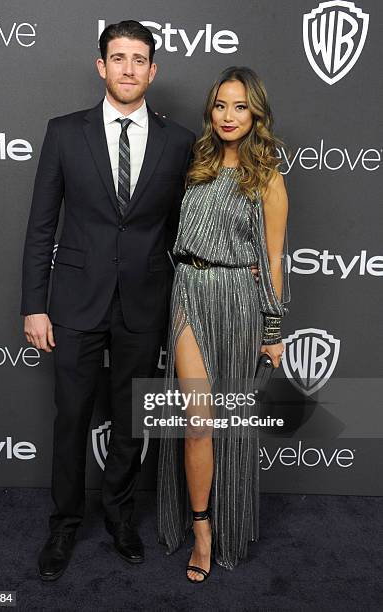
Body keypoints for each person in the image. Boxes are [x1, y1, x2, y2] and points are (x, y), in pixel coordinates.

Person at [21, 20, 196, 581]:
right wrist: (34, 304)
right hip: (73, 301)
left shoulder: (179, 140)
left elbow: (181, 230)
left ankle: (121, 517)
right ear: (101, 66)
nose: (127, 68)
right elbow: (41, 226)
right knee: (71, 416)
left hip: (145, 303)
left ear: (153, 70)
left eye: (138, 59)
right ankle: (65, 523)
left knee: (130, 420)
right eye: (117, 58)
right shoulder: (64, 132)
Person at [157, 66, 291, 582]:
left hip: (236, 301)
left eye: (240, 107)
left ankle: (226, 523)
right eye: (220, 105)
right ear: (209, 110)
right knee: (197, 423)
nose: (229, 116)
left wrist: (274, 330)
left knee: (227, 427)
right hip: (188, 291)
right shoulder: (196, 162)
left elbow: (275, 260)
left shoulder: (268, 176)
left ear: (255, 113)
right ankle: (201, 527)